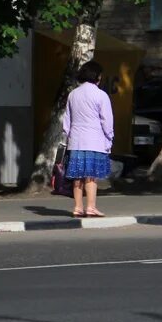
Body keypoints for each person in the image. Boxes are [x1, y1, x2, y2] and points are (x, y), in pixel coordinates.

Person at [62, 60, 114, 218]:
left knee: (77, 176)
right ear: (97, 76)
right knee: (91, 176)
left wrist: (67, 137)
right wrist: (109, 137)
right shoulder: (101, 95)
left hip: (75, 141)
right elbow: (107, 120)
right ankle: (91, 207)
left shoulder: (73, 94)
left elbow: (66, 120)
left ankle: (77, 207)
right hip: (94, 141)